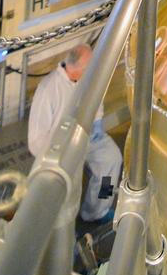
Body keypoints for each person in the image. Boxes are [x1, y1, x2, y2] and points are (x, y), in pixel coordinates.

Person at [28, 43, 122, 223]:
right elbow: (36, 140)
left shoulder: (88, 78)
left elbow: (97, 103)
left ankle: (98, 209)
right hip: (62, 148)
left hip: (89, 136)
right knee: (68, 190)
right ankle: (64, 232)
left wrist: (96, 126)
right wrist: (55, 157)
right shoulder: (49, 89)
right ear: (78, 69)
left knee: (112, 160)